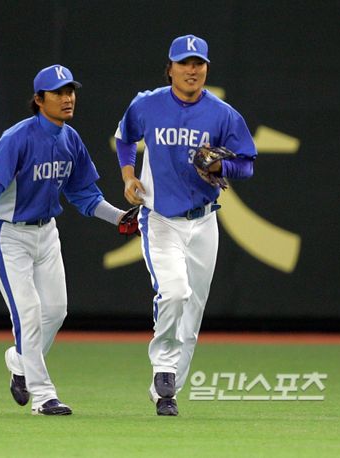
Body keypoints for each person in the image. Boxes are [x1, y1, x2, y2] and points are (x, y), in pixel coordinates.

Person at [0, 64, 127, 416]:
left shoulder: (71, 139)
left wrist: (118, 217)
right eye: (58, 93)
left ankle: (19, 360)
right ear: (39, 100)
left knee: (55, 310)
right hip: (8, 234)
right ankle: (43, 396)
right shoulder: (18, 137)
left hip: (46, 233)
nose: (68, 98)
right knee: (28, 313)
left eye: (70, 91)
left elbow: (84, 194)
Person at [114, 34, 257, 416]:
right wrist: (128, 175)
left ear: (206, 68)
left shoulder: (223, 114)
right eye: (184, 63)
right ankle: (163, 364)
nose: (191, 70)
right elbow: (125, 138)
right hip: (160, 219)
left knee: (192, 313)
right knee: (174, 292)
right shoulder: (147, 104)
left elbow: (246, 164)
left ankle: (167, 392)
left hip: (204, 221)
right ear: (170, 68)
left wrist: (221, 166)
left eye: (198, 63)